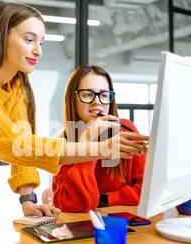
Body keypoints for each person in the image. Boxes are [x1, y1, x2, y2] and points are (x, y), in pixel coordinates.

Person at [0, 2, 148, 225]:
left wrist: (28, 201)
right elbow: (17, 145)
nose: (38, 50)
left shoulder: (16, 86)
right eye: (29, 39)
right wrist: (100, 148)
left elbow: (22, 147)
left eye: (42, 43)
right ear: (1, 36)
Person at [52, 66, 147, 212]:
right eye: (88, 94)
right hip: (81, 228)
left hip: (121, 226)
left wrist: (105, 199)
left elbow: (146, 190)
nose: (97, 102)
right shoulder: (63, 143)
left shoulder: (125, 129)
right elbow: (70, 204)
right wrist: (88, 141)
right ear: (73, 98)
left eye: (103, 95)